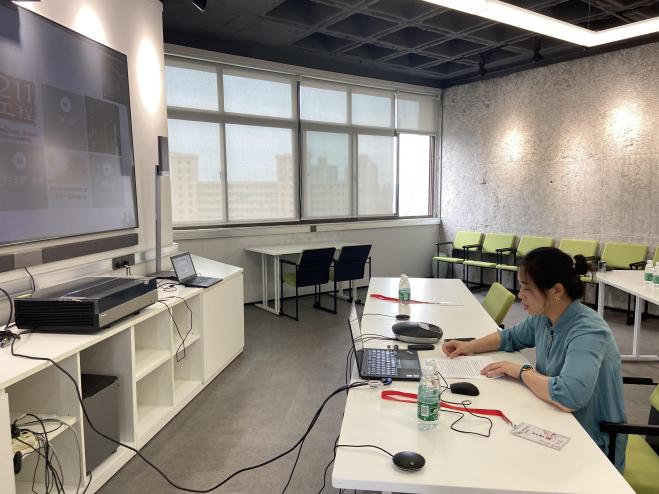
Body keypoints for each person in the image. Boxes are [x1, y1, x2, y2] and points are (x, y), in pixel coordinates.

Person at [442, 247, 627, 472]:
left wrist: (521, 371)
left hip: (591, 444)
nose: (520, 294)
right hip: (554, 419)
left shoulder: (588, 331)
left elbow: (570, 396)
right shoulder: (545, 317)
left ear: (557, 290)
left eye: (527, 288)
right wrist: (468, 346)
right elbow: (509, 338)